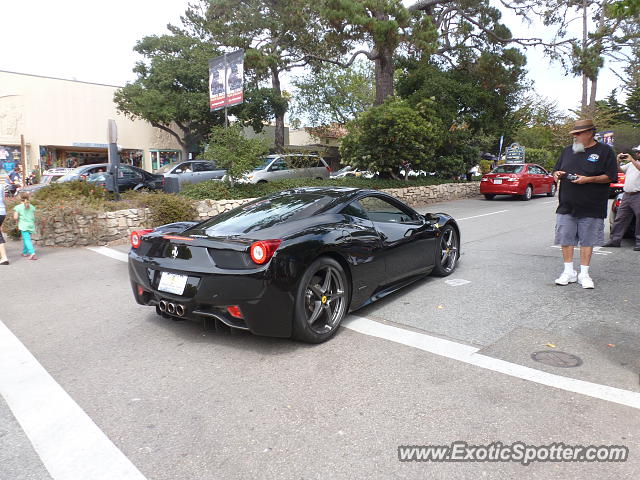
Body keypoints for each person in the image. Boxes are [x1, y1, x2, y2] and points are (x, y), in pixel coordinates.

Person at [552, 119, 618, 289]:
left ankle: (584, 274)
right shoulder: (567, 151)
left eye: (578, 133)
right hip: (566, 204)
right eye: (574, 133)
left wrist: (589, 179)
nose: (575, 136)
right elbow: (556, 170)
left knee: (587, 241)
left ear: (590, 133)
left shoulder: (605, 151)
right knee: (565, 239)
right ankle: (568, 272)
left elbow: (611, 176)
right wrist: (557, 174)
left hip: (592, 205)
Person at [603, 145, 640, 250]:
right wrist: (617, 160)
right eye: (636, 152)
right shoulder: (630, 165)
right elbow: (618, 170)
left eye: (639, 152)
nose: (637, 154)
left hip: (638, 194)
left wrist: (632, 159)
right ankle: (615, 240)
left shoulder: (634, 163)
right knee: (620, 218)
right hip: (627, 195)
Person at [13, 191, 38, 260]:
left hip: (23, 225)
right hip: (31, 225)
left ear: (19, 198)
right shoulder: (32, 206)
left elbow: (15, 217)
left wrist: (16, 219)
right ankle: (25, 252)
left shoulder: (18, 207)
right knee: (26, 239)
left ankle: (32, 253)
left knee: (27, 239)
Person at [0, 181, 8, 265]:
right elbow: (3, 199)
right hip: (2, 211)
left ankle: (4, 257)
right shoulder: (1, 185)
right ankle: (3, 257)